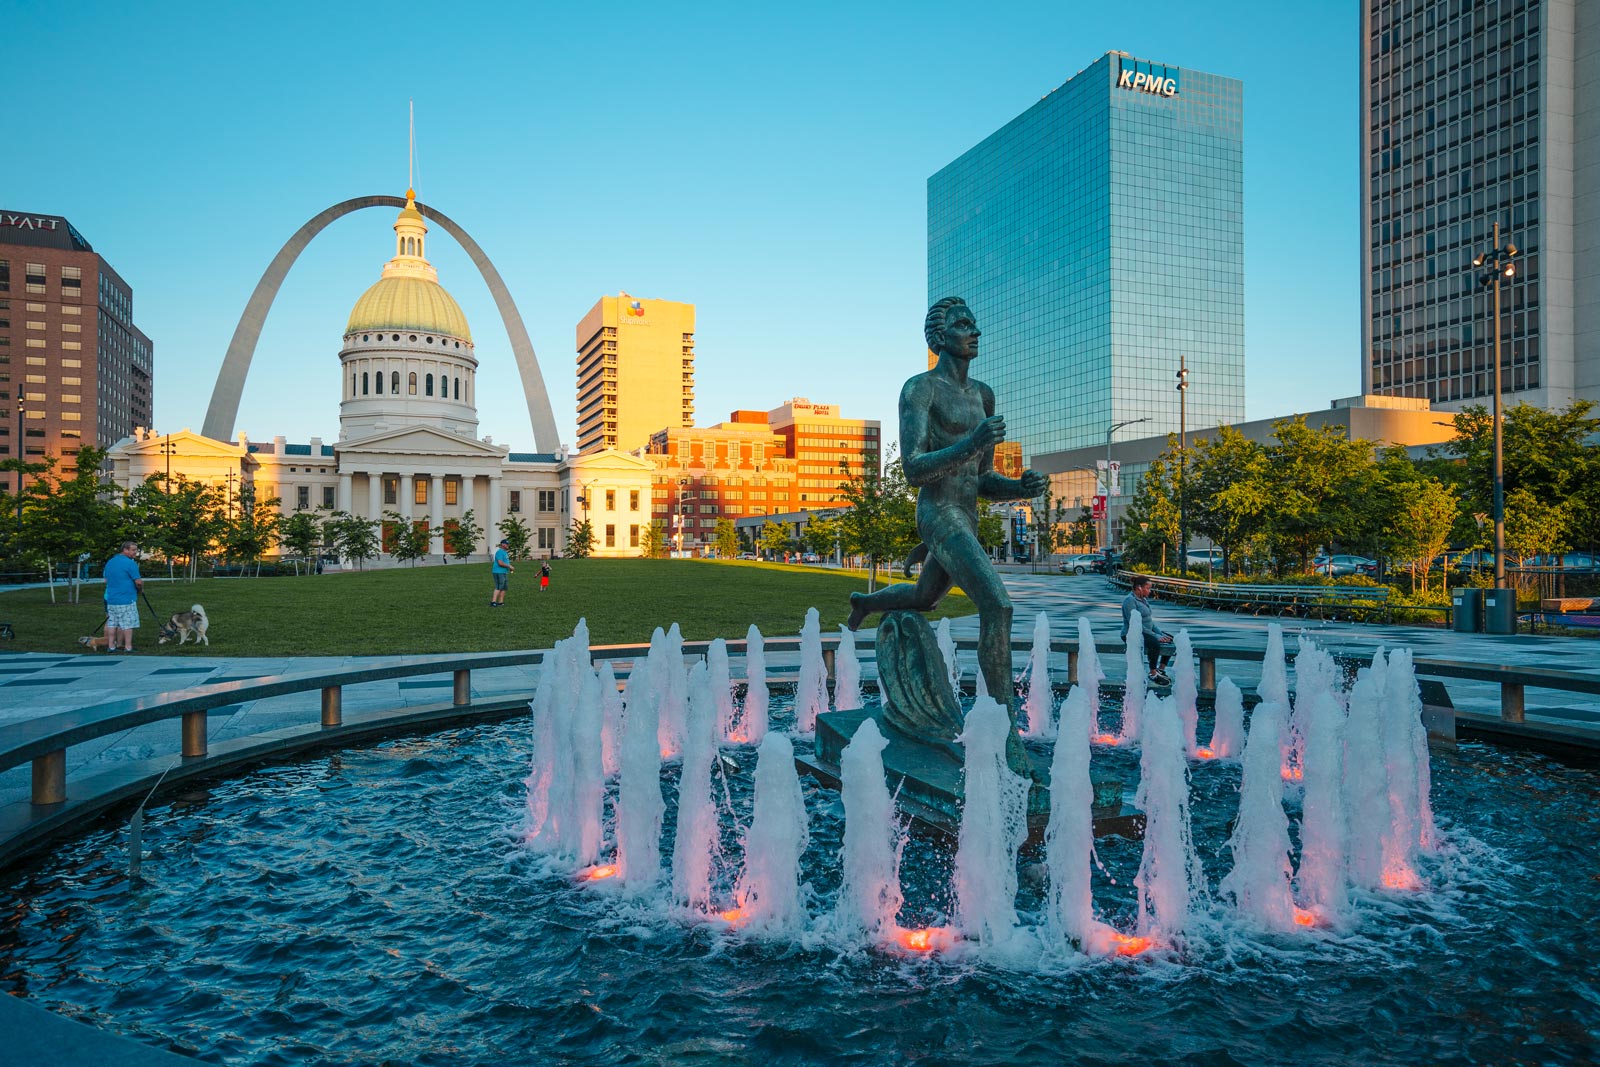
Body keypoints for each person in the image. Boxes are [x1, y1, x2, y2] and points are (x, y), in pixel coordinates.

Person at [844, 297, 1048, 775]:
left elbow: (983, 479)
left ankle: (866, 601)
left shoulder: (984, 395)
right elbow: (913, 468)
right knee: (997, 605)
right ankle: (1003, 733)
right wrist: (972, 442)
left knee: (923, 598)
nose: (973, 331)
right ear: (938, 338)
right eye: (961, 325)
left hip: (967, 515)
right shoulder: (920, 390)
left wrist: (1019, 487)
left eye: (974, 324)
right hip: (937, 513)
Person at [1122, 575, 1174, 686]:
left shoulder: (1143, 600)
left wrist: (1160, 634)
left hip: (1146, 631)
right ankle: (1153, 672)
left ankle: (1161, 669)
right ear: (1139, 588)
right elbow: (1135, 624)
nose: (1150, 591)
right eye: (1148, 588)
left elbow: (1149, 622)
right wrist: (1156, 636)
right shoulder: (1129, 601)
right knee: (1154, 643)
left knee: (1170, 639)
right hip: (1131, 633)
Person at [102, 541, 143, 652]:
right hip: (126, 599)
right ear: (125, 550)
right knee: (128, 624)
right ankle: (128, 647)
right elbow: (138, 581)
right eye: (133, 550)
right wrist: (140, 589)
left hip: (111, 598)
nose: (135, 552)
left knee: (112, 623)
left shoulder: (110, 562)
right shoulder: (130, 563)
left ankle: (111, 646)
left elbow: (106, 579)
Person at [490, 539, 514, 607]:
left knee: (504, 587)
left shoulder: (505, 552)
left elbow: (505, 562)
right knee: (498, 587)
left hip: (504, 572)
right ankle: (493, 602)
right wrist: (509, 566)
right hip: (498, 572)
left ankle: (501, 602)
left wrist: (510, 568)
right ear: (503, 544)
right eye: (506, 544)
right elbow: (500, 563)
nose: (508, 546)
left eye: (508, 544)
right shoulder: (499, 552)